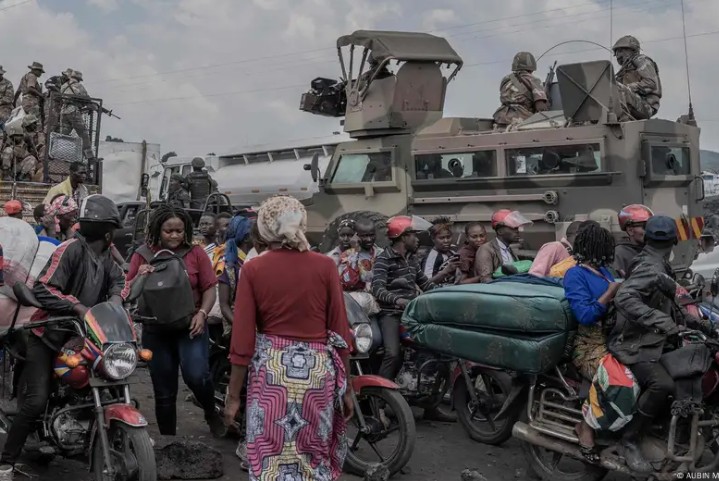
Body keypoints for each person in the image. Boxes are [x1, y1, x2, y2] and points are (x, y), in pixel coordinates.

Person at [224, 195, 353, 481]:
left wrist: (233, 397)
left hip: (272, 374)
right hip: (318, 374)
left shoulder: (254, 269)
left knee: (268, 456)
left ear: (265, 227)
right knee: (312, 456)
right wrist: (348, 389)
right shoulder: (325, 266)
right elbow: (339, 332)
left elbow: (242, 340)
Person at [0, 195, 125, 477]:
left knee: (116, 382)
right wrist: (77, 306)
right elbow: (44, 288)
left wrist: (117, 300)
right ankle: (6, 460)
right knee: (36, 400)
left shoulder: (106, 257)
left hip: (89, 336)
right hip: (50, 335)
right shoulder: (69, 249)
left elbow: (120, 281)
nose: (107, 234)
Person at [608, 215, 712, 473]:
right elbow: (626, 298)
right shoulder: (650, 266)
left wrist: (696, 322)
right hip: (635, 343)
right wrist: (663, 323)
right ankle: (629, 440)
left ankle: (664, 431)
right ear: (675, 240)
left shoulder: (656, 262)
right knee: (662, 384)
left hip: (653, 339)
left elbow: (668, 298)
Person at [122, 204, 225, 437]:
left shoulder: (196, 253)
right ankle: (169, 440)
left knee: (197, 375)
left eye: (179, 231)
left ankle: (210, 411)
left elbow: (209, 288)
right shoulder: (142, 255)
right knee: (164, 390)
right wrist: (140, 276)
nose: (175, 235)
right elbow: (128, 293)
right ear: (158, 230)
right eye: (169, 231)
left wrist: (202, 314)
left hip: (190, 326)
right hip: (156, 330)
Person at [563, 223, 620, 463]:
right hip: (588, 346)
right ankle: (585, 427)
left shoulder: (605, 271)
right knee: (620, 379)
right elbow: (584, 315)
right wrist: (611, 292)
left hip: (613, 339)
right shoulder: (575, 274)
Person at [218, 215, 253, 337]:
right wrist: (241, 328)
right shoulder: (229, 264)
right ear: (248, 238)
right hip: (239, 325)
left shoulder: (251, 260)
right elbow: (224, 305)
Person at [493, 52, 549, 128]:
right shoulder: (533, 80)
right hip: (522, 119)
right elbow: (541, 107)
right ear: (532, 66)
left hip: (501, 118)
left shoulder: (505, 80)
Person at [612, 35, 661, 121]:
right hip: (634, 104)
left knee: (618, 89)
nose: (618, 55)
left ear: (632, 50)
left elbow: (650, 83)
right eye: (616, 52)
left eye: (621, 51)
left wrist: (627, 88)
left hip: (646, 106)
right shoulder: (624, 70)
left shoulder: (641, 60)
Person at [475, 210, 531, 283]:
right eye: (513, 228)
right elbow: (486, 279)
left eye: (517, 228)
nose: (517, 231)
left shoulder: (509, 249)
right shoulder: (486, 249)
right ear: (500, 231)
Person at [60, 70, 95, 161]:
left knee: (63, 134)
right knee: (84, 134)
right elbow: (87, 99)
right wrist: (92, 106)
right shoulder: (79, 86)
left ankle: (58, 152)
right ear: (78, 79)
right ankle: (89, 155)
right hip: (73, 111)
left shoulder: (63, 86)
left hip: (64, 112)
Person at [614, 204, 653, 278]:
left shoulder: (652, 249)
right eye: (644, 226)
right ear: (630, 230)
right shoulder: (619, 254)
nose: (649, 230)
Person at [421, 216, 460, 286]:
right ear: (433, 239)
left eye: (448, 237)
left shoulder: (453, 252)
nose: (446, 241)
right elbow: (426, 284)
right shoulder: (431, 257)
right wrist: (445, 271)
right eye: (442, 238)